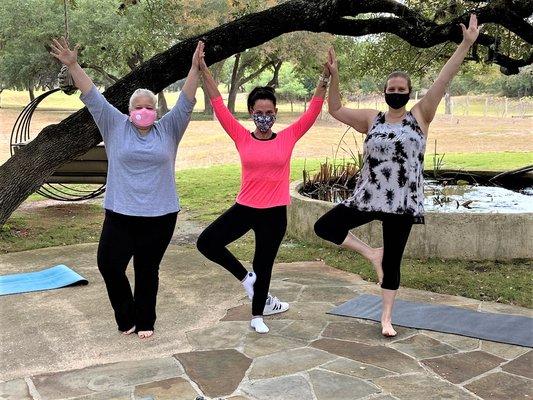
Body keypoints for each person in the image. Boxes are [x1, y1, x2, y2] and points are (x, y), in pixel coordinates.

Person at [314, 15, 480, 337]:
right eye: (391, 89)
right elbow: (334, 109)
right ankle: (369, 252)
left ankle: (386, 318)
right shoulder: (371, 119)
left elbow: (443, 81)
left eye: (401, 90)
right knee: (325, 226)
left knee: (393, 263)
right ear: (384, 92)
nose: (396, 93)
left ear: (409, 92)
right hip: (368, 197)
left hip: (402, 202)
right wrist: (332, 77)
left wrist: (465, 45)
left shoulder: (420, 115)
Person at [50, 37, 203, 339]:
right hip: (120, 213)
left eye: (149, 107)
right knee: (108, 264)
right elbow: (92, 95)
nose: (144, 111)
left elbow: (185, 101)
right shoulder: (114, 124)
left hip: (160, 215)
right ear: (129, 109)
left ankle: (145, 320)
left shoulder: (169, 128)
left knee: (147, 271)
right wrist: (73, 65)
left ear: (157, 110)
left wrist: (195, 68)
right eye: (138, 107)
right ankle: (126, 315)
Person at [196, 44, 330, 334]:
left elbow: (313, 110)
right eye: (259, 112)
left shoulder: (289, 136)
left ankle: (258, 315)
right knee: (206, 242)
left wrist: (325, 79)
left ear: (275, 112)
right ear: (251, 113)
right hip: (245, 208)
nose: (265, 116)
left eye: (269, 112)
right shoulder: (241, 136)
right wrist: (204, 70)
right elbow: (218, 103)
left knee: (264, 263)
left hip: (274, 213)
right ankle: (246, 279)